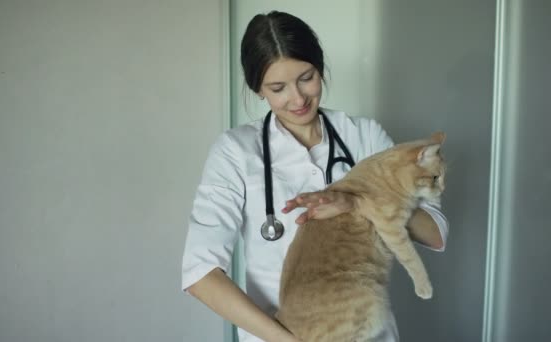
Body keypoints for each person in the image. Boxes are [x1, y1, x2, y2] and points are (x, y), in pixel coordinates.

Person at [182, 10, 448, 342]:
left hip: (368, 331)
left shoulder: (363, 136)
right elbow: (200, 274)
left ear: (319, 68)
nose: (298, 98)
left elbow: (435, 233)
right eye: (278, 87)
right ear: (258, 88)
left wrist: (356, 202)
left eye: (306, 78)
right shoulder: (235, 152)